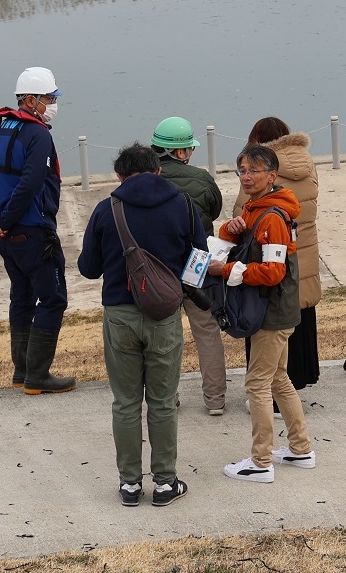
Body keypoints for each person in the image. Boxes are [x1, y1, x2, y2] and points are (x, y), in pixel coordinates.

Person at [76, 144, 204, 507]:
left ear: (120, 176)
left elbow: (88, 268)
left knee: (126, 403)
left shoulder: (107, 209)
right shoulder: (183, 205)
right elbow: (199, 257)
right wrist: (180, 288)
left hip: (120, 314)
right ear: (158, 171)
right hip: (164, 315)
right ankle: (165, 482)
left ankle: (130, 484)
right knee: (162, 401)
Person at [214, 144, 316, 483]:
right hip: (279, 310)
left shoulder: (271, 216)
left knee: (257, 384)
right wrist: (230, 231)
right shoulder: (258, 211)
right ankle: (300, 448)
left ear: (272, 176)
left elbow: (273, 272)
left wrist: (229, 271)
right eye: (241, 170)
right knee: (278, 379)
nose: (246, 176)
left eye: (254, 171)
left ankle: (260, 462)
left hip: (271, 313)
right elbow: (252, 249)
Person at [0, 66, 73, 394]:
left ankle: (22, 372)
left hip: (8, 238)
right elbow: (32, 183)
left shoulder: (1, 128)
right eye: (49, 97)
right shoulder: (39, 134)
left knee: (22, 296)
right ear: (30, 100)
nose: (53, 103)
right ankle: (38, 375)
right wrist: (8, 220)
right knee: (54, 299)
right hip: (34, 233)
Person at [234, 118, 321, 393]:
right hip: (303, 254)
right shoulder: (307, 163)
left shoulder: (260, 171)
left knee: (268, 323)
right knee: (299, 319)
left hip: (269, 258)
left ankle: (269, 393)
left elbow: (242, 215)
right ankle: (298, 382)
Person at [152, 116, 227, 415]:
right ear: (180, 152)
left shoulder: (149, 181)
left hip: (161, 267)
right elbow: (215, 208)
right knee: (207, 331)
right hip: (197, 263)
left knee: (166, 334)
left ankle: (168, 397)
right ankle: (215, 400)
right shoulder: (202, 178)